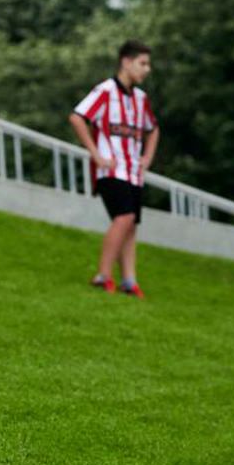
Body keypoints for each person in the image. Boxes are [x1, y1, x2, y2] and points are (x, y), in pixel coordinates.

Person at [69, 40, 160, 298]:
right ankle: (103, 275)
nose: (147, 69)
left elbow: (153, 129)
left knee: (131, 224)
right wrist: (96, 154)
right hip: (110, 170)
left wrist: (147, 157)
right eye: (142, 63)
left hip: (133, 172)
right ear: (126, 62)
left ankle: (129, 280)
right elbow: (77, 117)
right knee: (124, 218)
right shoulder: (106, 91)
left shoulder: (140, 99)